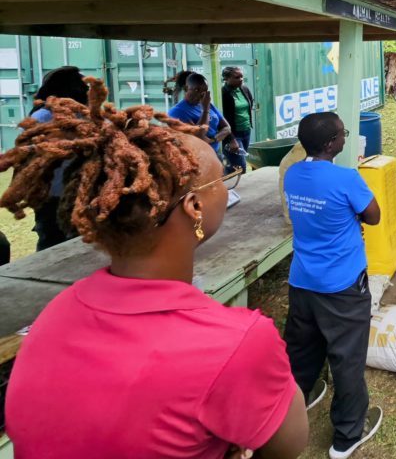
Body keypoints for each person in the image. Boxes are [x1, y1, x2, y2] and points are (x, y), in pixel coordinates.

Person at [1, 78, 307, 458]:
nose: (228, 186)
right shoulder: (239, 342)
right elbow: (288, 447)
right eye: (221, 179)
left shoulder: (51, 318)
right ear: (194, 207)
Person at [283, 112, 383, 459]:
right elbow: (373, 216)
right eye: (343, 134)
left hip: (302, 281)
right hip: (341, 286)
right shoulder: (347, 178)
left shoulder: (293, 174)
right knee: (346, 359)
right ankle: (347, 436)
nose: (345, 138)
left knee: (301, 350)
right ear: (331, 144)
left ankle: (293, 405)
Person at [27, 65, 89, 250]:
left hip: (62, 196)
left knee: (57, 245)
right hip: (69, 195)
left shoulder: (41, 118)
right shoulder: (44, 118)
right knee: (69, 245)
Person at [168, 72, 238, 159]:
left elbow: (227, 128)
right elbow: (199, 138)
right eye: (196, 90)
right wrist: (205, 110)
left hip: (214, 154)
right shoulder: (177, 112)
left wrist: (214, 139)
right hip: (196, 158)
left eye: (204, 91)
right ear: (186, 88)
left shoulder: (208, 105)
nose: (201, 95)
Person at [221, 66, 255, 172]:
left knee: (236, 165)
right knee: (239, 167)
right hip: (233, 135)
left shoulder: (244, 89)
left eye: (242, 77)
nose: (240, 79)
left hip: (246, 131)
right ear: (226, 79)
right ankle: (230, 187)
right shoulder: (223, 93)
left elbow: (250, 103)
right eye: (236, 77)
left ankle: (232, 187)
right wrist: (231, 139)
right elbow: (222, 119)